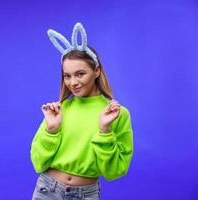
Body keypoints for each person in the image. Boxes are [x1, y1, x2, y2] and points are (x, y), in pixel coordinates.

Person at [30, 22, 133, 200]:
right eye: (67, 76)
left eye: (80, 74)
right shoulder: (60, 110)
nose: (73, 82)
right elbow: (38, 164)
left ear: (97, 71)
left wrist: (105, 132)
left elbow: (115, 171)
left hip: (85, 195)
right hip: (47, 190)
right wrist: (51, 131)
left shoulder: (116, 113)